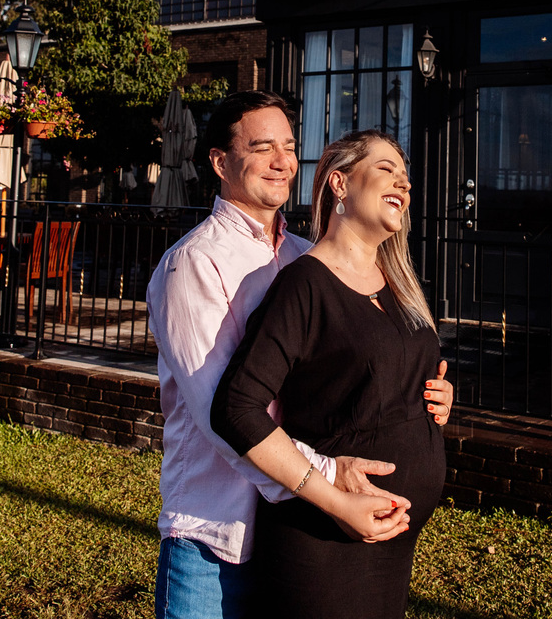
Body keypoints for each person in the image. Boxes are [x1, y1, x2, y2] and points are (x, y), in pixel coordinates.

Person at [147, 93, 453, 619]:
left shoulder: (302, 255)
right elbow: (226, 415)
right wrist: (330, 478)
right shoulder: (193, 264)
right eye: (261, 147)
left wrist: (419, 393)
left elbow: (331, 377)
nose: (282, 161)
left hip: (303, 522)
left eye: (289, 147)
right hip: (218, 536)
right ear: (220, 162)